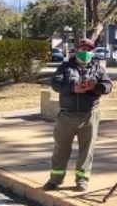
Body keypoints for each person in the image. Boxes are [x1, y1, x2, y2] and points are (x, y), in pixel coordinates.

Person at [44, 38, 112, 191]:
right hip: (67, 115)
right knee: (61, 148)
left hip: (89, 115)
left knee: (87, 150)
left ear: (92, 51)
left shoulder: (98, 68)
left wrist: (96, 87)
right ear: (77, 50)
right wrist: (73, 88)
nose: (85, 51)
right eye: (82, 48)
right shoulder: (65, 67)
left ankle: (82, 180)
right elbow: (56, 84)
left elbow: (108, 86)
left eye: (89, 49)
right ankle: (55, 179)